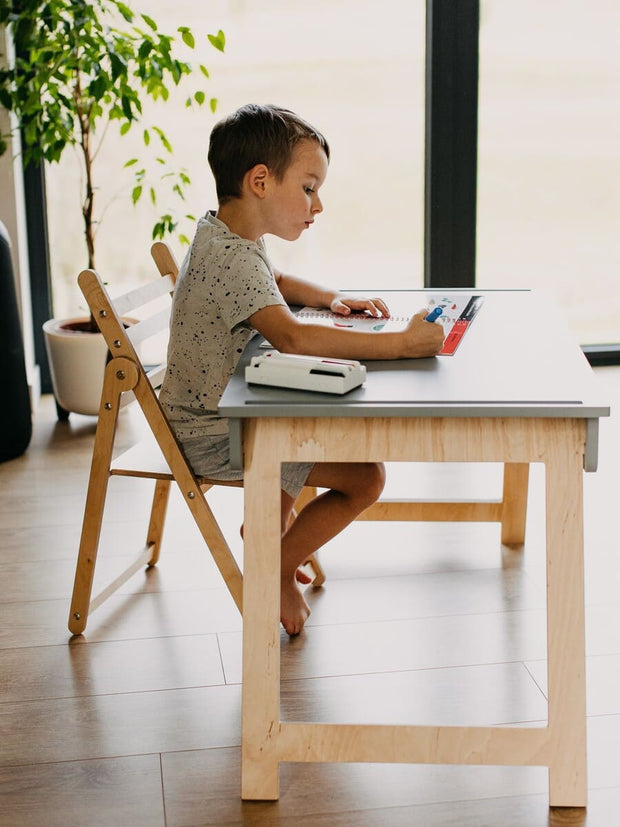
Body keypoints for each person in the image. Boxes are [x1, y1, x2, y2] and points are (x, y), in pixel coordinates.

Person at [160, 103, 444, 635]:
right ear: (261, 182)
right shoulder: (232, 256)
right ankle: (274, 564)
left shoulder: (227, 233)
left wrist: (335, 298)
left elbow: (279, 281)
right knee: (366, 478)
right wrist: (404, 343)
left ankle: (271, 536)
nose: (319, 204)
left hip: (219, 409)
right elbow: (291, 336)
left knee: (327, 428)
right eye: (309, 188)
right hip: (211, 432)